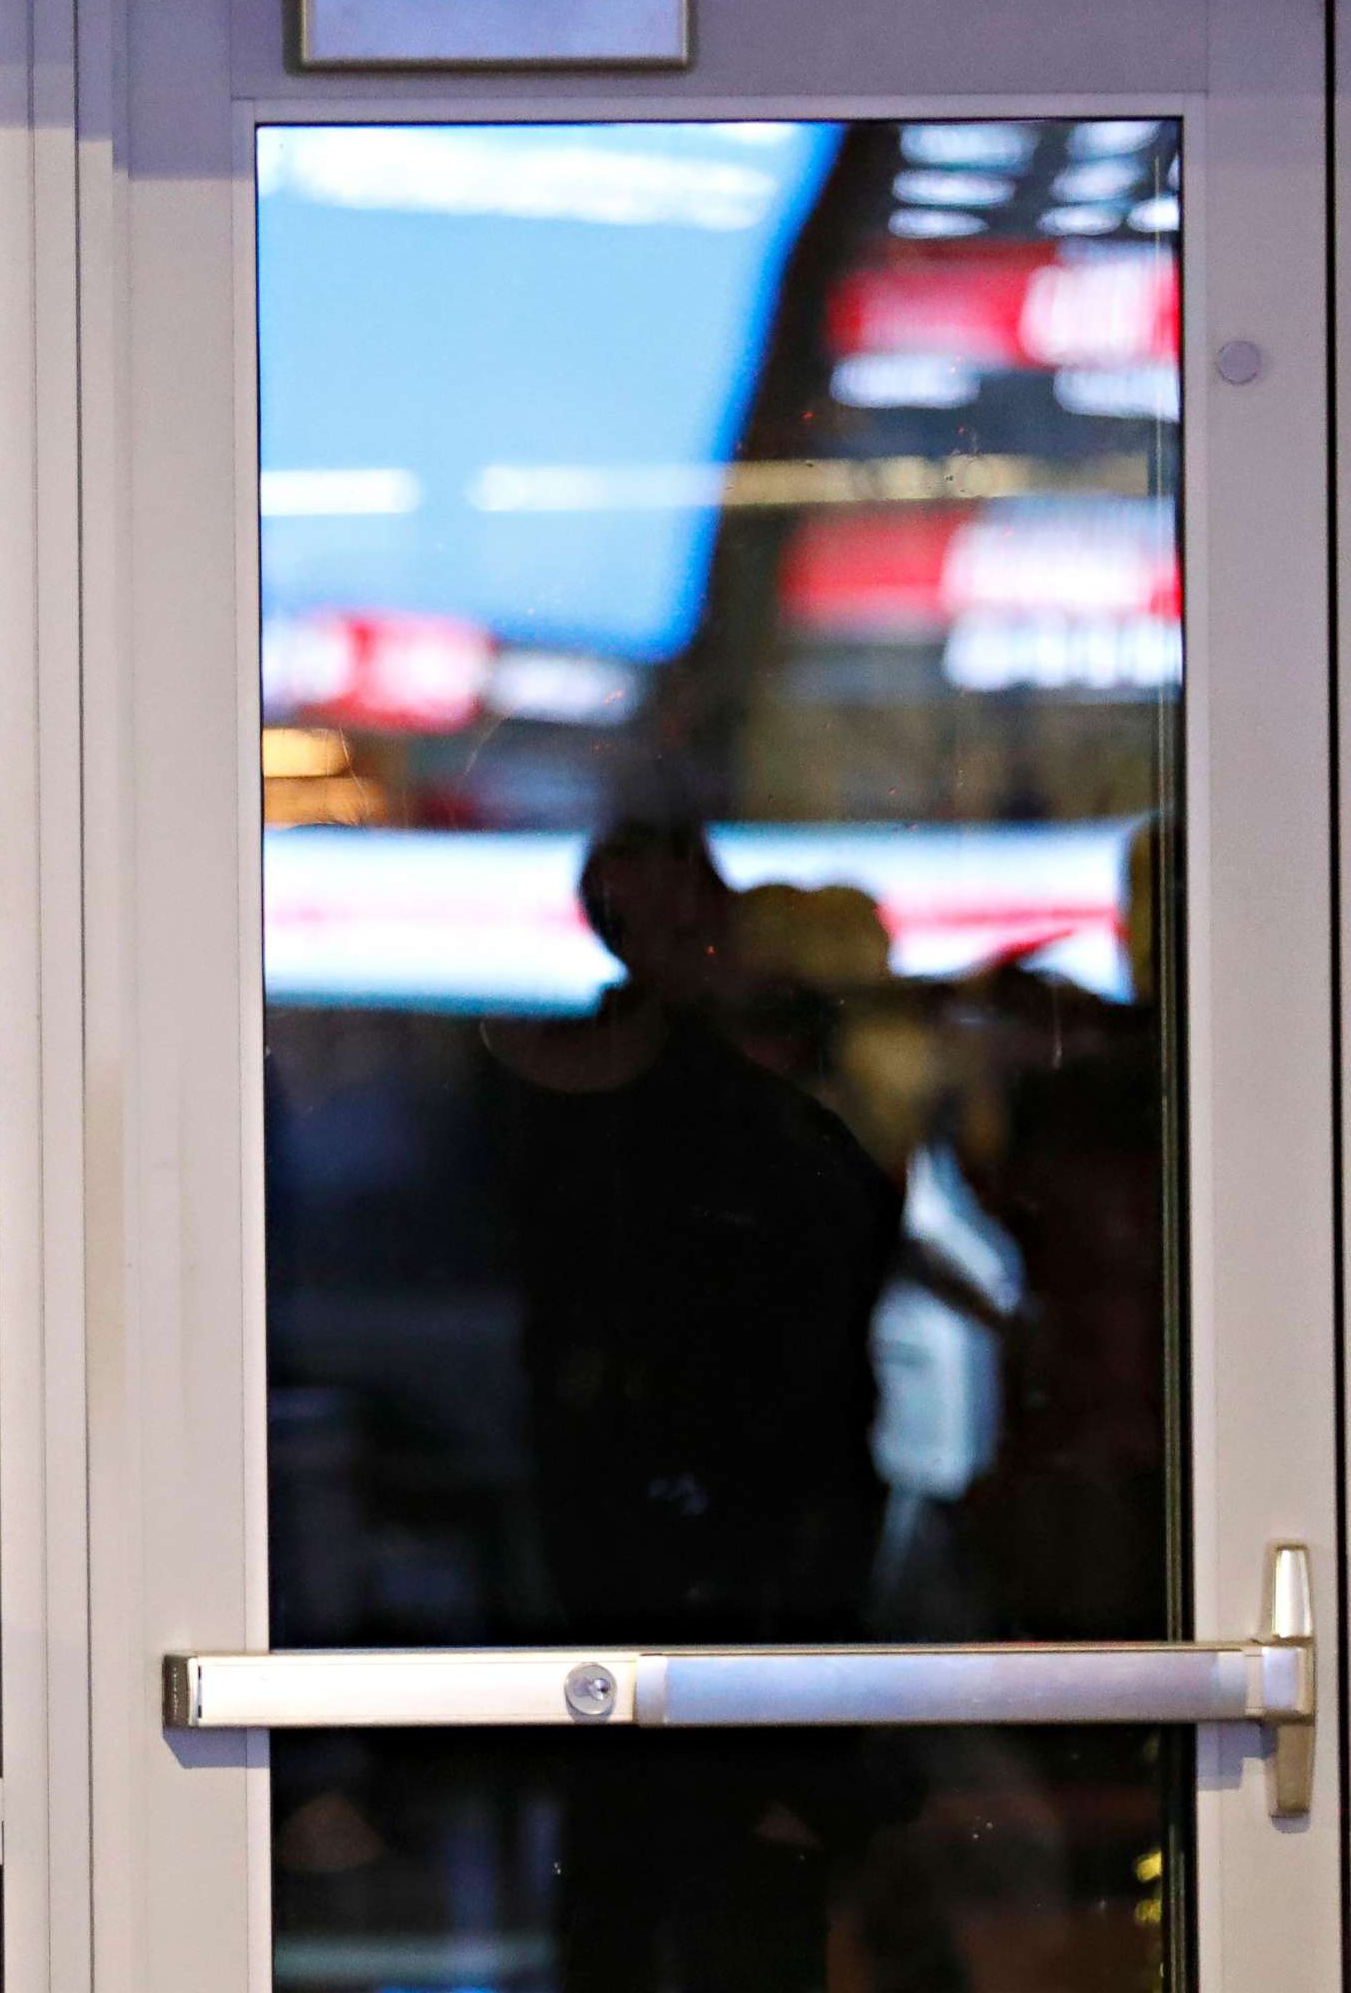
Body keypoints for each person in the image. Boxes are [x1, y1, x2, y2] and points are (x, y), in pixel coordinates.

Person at [480, 819, 899, 1991]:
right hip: (636, 1510)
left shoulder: (769, 1088)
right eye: (648, 922)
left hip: (775, 1510)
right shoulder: (614, 1091)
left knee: (751, 1854)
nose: (683, 945)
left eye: (693, 916)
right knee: (635, 1839)